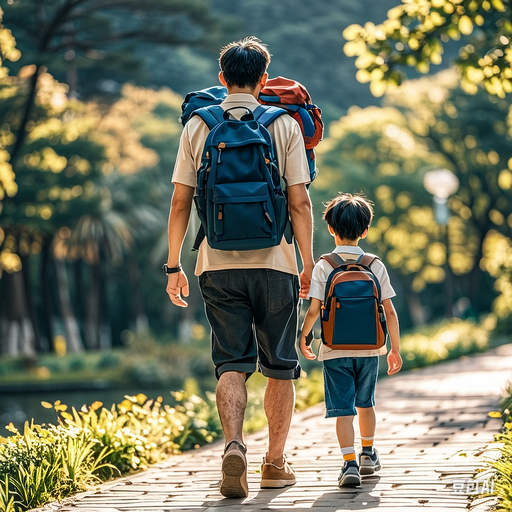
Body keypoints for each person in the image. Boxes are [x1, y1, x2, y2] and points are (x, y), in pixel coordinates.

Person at [165, 36, 314, 498]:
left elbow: (180, 202)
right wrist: (309, 263)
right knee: (280, 366)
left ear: (221, 79)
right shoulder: (283, 123)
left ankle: (234, 446)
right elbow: (300, 202)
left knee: (230, 362)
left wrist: (174, 266)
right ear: (265, 79)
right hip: (277, 263)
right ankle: (274, 462)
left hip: (217, 264)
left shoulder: (198, 125)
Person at [299, 192, 402, 488]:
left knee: (342, 409)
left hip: (333, 350)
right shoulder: (374, 264)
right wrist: (394, 349)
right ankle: (368, 452)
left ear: (331, 229)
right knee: (365, 403)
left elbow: (315, 309)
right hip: (371, 349)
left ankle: (349, 464)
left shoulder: (324, 266)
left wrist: (305, 337)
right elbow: (390, 311)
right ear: (365, 230)